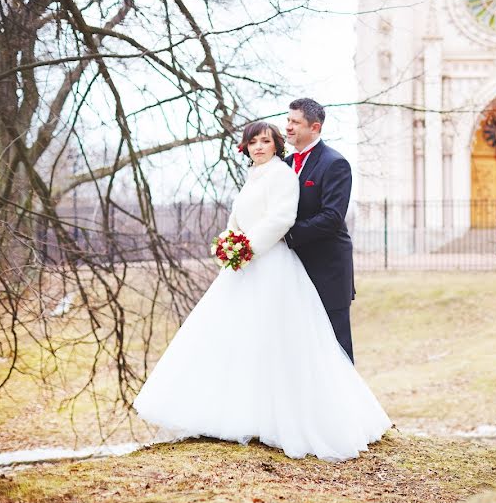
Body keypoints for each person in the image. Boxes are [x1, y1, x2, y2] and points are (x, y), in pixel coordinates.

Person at [133, 122, 391, 461]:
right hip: (245, 266)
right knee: (233, 336)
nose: (258, 147)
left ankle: (278, 417)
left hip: (272, 265)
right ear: (245, 147)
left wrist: (246, 248)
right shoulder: (253, 176)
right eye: (252, 142)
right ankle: (234, 412)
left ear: (276, 145)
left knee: (273, 338)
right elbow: (237, 219)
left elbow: (281, 218)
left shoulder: (282, 175)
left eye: (265, 141)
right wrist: (228, 242)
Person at [283, 98, 356, 363]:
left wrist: (287, 235)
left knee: (335, 348)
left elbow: (332, 217)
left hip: (328, 271)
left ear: (314, 127)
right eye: (288, 120)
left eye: (295, 122)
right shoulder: (284, 164)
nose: (288, 127)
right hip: (293, 269)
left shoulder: (335, 164)